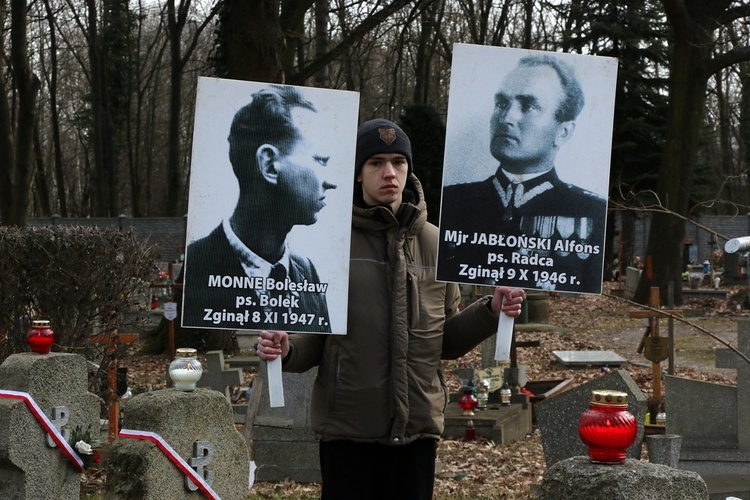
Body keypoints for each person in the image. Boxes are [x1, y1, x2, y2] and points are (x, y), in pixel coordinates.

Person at [257, 118, 525, 499]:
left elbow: (445, 341)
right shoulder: (327, 241)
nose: (389, 173)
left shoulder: (436, 242)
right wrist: (287, 350)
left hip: (416, 432)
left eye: (399, 162)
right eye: (376, 163)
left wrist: (491, 311)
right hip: (348, 432)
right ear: (357, 173)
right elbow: (313, 338)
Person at [438, 54, 607, 292]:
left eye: (528, 106)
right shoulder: (453, 201)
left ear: (563, 132)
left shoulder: (592, 211)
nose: (506, 118)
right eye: (501, 103)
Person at [182, 85, 333, 332]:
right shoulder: (197, 266)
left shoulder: (307, 274)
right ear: (270, 164)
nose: (331, 181)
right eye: (319, 160)